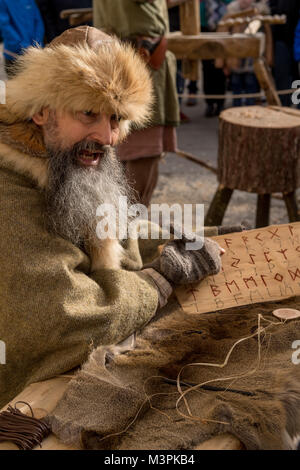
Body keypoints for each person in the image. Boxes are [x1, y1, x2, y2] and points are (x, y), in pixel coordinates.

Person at [0, 25, 226, 409]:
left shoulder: (65, 157)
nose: (107, 136)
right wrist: (159, 280)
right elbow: (66, 318)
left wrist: (197, 237)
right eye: (88, 113)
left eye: (117, 119)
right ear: (41, 110)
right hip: (23, 397)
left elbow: (115, 229)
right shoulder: (11, 192)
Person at [93, 0, 180, 207]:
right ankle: (128, 228)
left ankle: (125, 224)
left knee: (132, 147)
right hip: (136, 62)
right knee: (143, 147)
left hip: (134, 57)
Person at [0, 0, 44, 77]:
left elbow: (38, 22)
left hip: (35, 54)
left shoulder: (30, 1)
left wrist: (36, 44)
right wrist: (24, 46)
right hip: (14, 56)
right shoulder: (3, 2)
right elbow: (5, 27)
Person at [270, 0, 300, 106]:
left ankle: (295, 104)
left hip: (296, 39)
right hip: (281, 39)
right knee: (282, 76)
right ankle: (284, 106)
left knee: (296, 77)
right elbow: (272, 10)